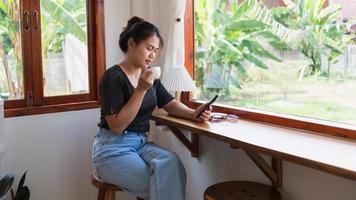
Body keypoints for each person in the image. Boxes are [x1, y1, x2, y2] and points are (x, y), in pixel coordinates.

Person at [92, 16, 212, 200]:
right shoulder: (112, 77)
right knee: (164, 182)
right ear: (131, 44)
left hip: (141, 144)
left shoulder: (150, 76)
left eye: (155, 51)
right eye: (149, 48)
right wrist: (140, 90)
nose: (152, 55)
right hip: (112, 149)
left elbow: (169, 103)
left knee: (173, 166)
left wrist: (194, 113)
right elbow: (116, 126)